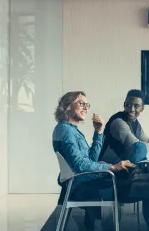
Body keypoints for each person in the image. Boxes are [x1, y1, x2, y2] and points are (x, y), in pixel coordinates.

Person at [52, 91, 135, 230]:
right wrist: (112, 167)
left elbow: (91, 159)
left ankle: (93, 221)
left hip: (82, 179)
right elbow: (80, 165)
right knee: (124, 179)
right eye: (81, 103)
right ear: (67, 106)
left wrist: (98, 132)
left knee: (126, 176)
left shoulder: (70, 130)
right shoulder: (65, 130)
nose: (86, 107)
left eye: (87, 104)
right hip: (79, 183)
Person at [100, 89, 149, 231]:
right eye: (128, 105)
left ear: (142, 108)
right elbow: (137, 146)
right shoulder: (118, 122)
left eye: (136, 106)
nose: (131, 109)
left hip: (126, 168)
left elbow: (146, 140)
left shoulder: (135, 122)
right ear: (124, 104)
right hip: (112, 172)